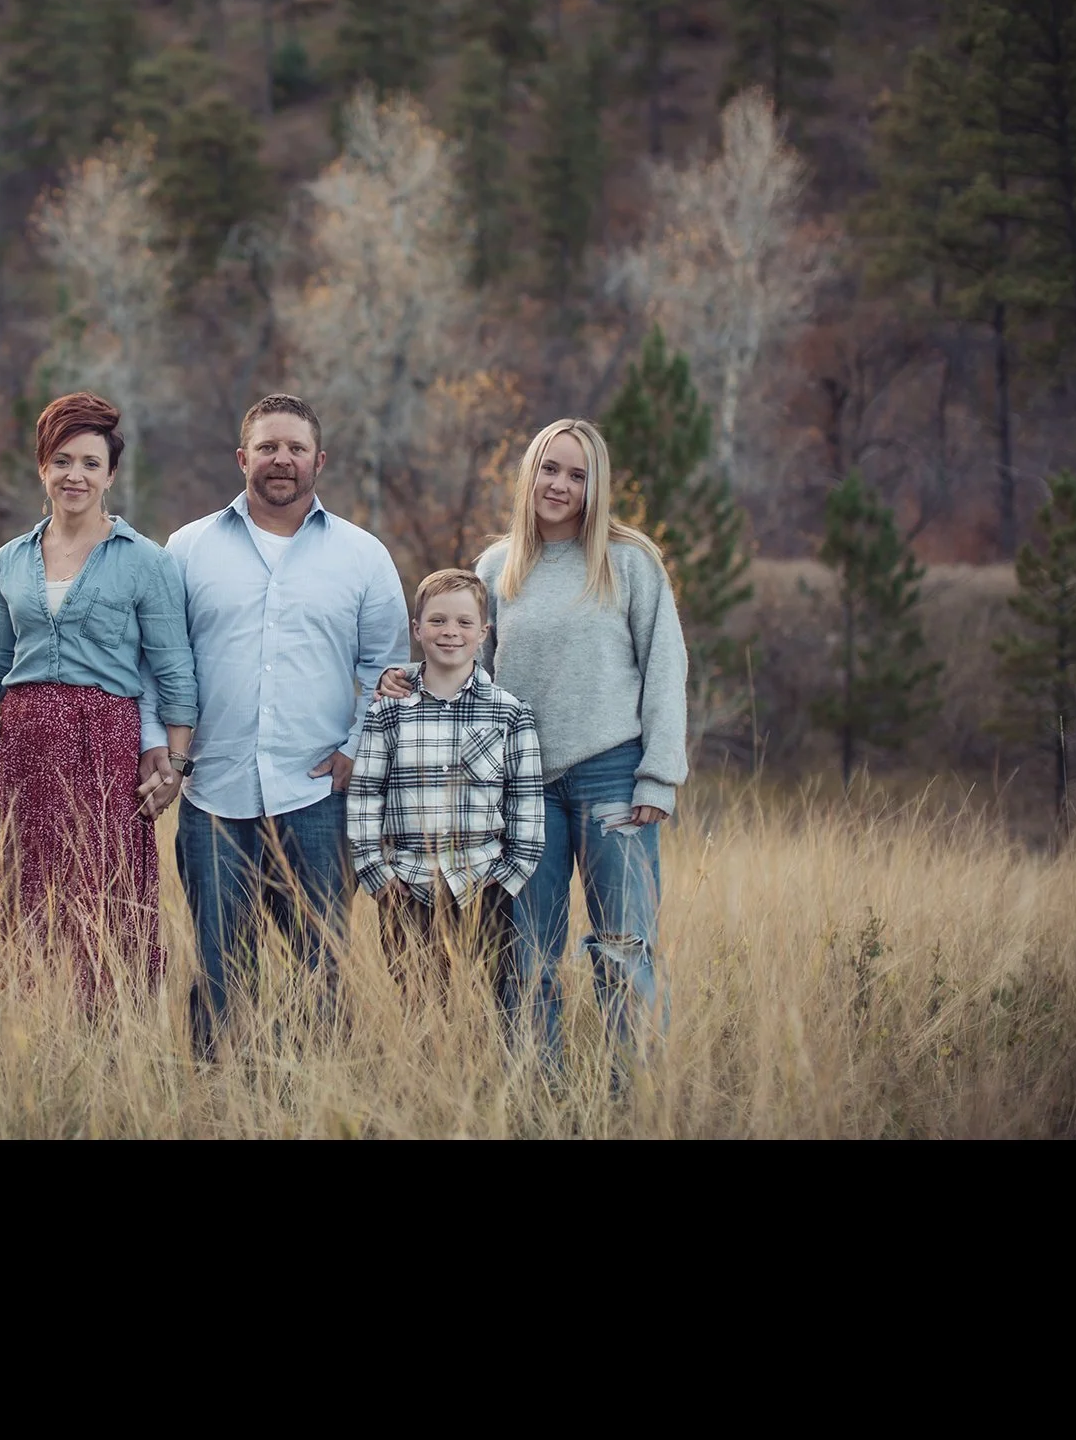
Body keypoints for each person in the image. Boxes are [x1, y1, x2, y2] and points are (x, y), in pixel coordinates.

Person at [381, 418, 688, 1078]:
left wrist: (659, 775)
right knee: (527, 954)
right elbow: (470, 675)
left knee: (622, 945)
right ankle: (536, 1095)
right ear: (530, 474)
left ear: (595, 484)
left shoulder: (629, 560)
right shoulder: (497, 566)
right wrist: (411, 684)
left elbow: (666, 665)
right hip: (521, 790)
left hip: (613, 773)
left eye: (578, 474)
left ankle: (627, 1100)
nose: (561, 484)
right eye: (550, 468)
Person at [155, 393, 409, 1058]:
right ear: (243, 458)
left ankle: (315, 1102)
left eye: (295, 448)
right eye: (268, 446)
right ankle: (218, 1105)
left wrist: (358, 748)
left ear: (318, 460)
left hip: (318, 797)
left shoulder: (362, 555)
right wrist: (165, 752)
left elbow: (389, 666)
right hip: (215, 793)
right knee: (220, 968)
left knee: (320, 967)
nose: (282, 459)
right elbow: (157, 660)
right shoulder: (186, 549)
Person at [0, 392, 196, 1008]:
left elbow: (173, 668)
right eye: (63, 460)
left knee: (105, 887)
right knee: (26, 886)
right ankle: (31, 1024)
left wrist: (174, 761)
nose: (76, 475)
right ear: (43, 467)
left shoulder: (145, 560)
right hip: (25, 741)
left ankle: (113, 1031)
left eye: (91, 463)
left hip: (106, 738)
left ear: (111, 475)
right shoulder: (11, 558)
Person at [347, 568, 544, 1011]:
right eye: (436, 621)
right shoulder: (388, 712)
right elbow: (364, 800)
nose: (450, 632)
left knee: (491, 1009)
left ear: (483, 632)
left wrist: (505, 880)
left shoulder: (510, 714)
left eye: (463, 622)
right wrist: (379, 878)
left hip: (484, 887)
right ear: (417, 629)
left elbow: (527, 810)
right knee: (420, 1007)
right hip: (407, 889)